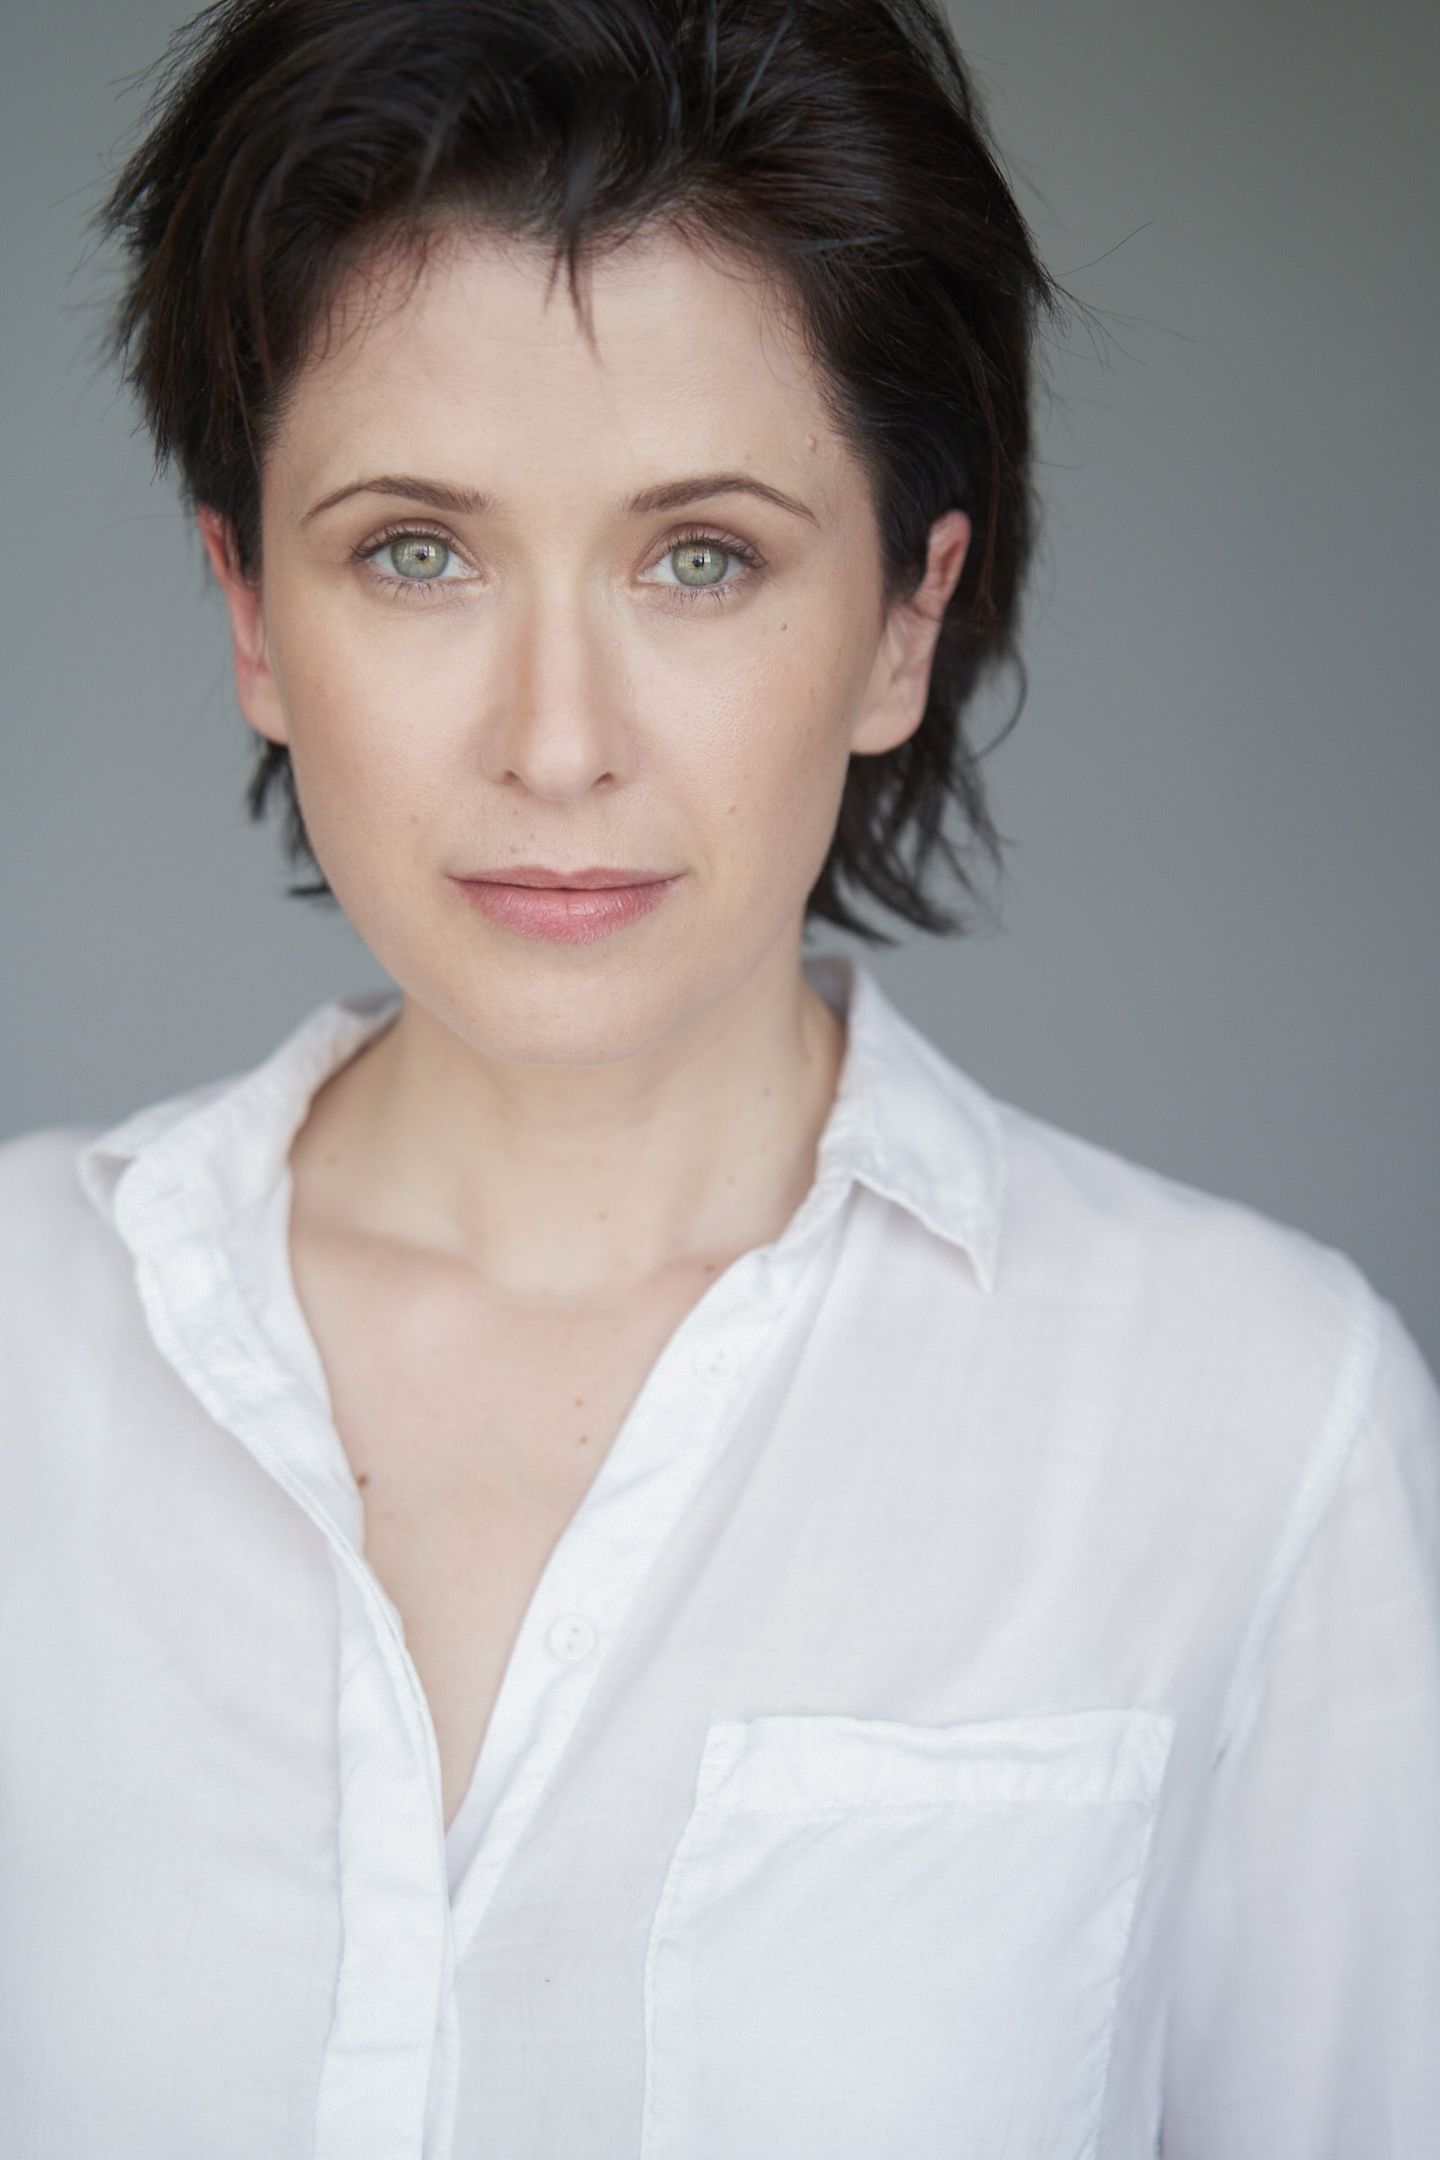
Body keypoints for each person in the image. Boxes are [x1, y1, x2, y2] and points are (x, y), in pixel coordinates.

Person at [1, 0, 1436, 2153]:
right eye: (416, 550)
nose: (557, 741)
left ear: (904, 619)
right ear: (252, 613)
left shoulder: (1249, 1418)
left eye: (702, 558)